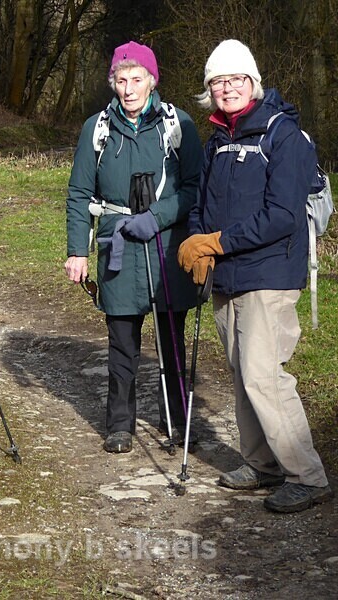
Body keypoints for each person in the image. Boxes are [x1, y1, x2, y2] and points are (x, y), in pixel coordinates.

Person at [178, 39, 333, 513]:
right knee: (241, 373)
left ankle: (306, 475)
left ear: (252, 82)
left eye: (233, 79)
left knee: (264, 376)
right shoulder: (219, 139)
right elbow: (202, 204)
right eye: (216, 82)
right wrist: (196, 238)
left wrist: (216, 243)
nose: (225, 89)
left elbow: (282, 215)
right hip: (228, 275)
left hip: (270, 273)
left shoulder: (282, 136)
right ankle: (261, 463)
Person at [65, 41, 203, 453]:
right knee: (122, 341)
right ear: (113, 82)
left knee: (171, 338)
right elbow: (78, 192)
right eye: (121, 80)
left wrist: (157, 217)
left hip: (166, 247)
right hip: (116, 245)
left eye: (136, 79)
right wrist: (77, 251)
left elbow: (195, 188)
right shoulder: (97, 128)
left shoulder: (178, 125)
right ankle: (120, 425)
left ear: (151, 81)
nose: (128, 89)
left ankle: (177, 420)